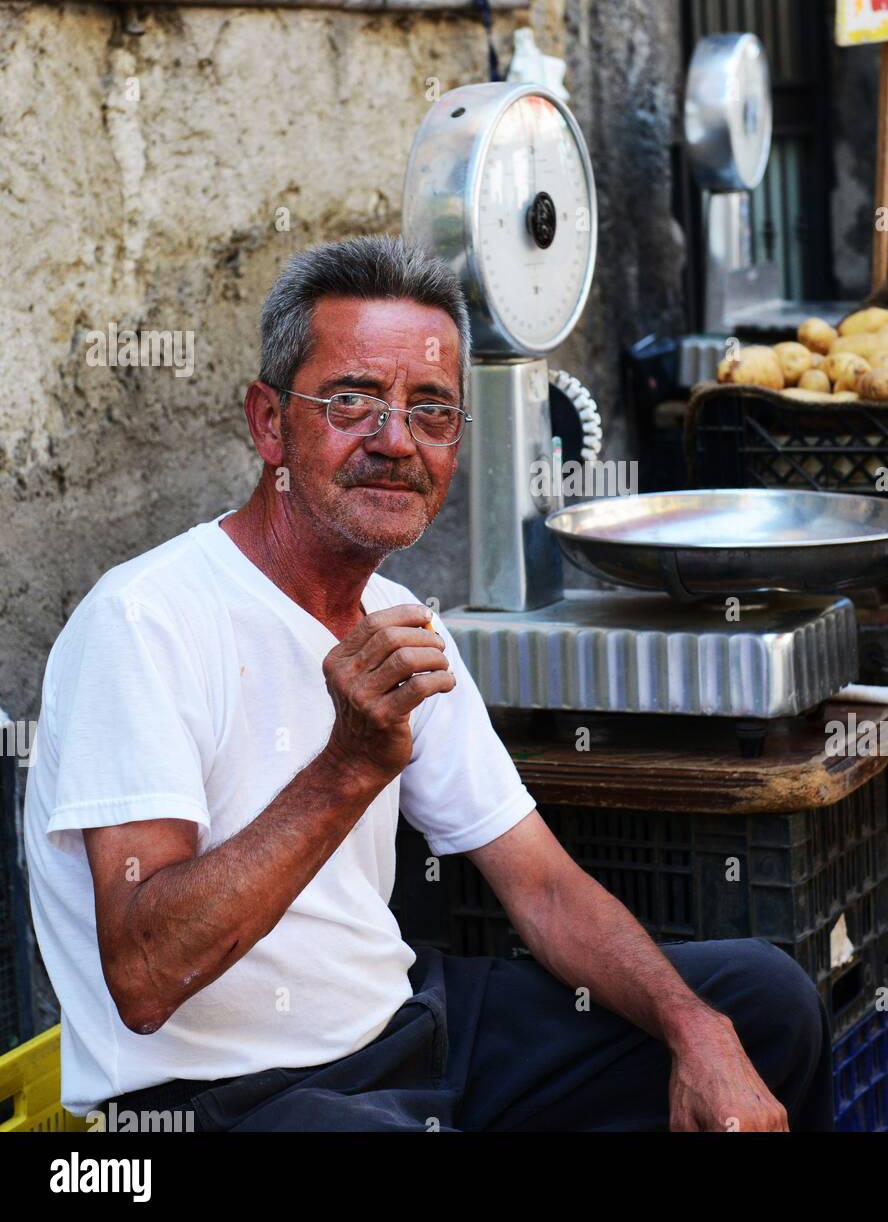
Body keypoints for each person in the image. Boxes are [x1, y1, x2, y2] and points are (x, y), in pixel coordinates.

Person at [23, 235, 833, 1132]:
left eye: (432, 411)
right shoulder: (144, 621)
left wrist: (696, 1031)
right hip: (216, 1099)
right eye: (353, 401)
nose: (395, 440)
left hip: (410, 1029)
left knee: (762, 1004)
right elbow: (143, 975)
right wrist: (348, 768)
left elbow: (542, 887)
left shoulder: (400, 615)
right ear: (267, 423)